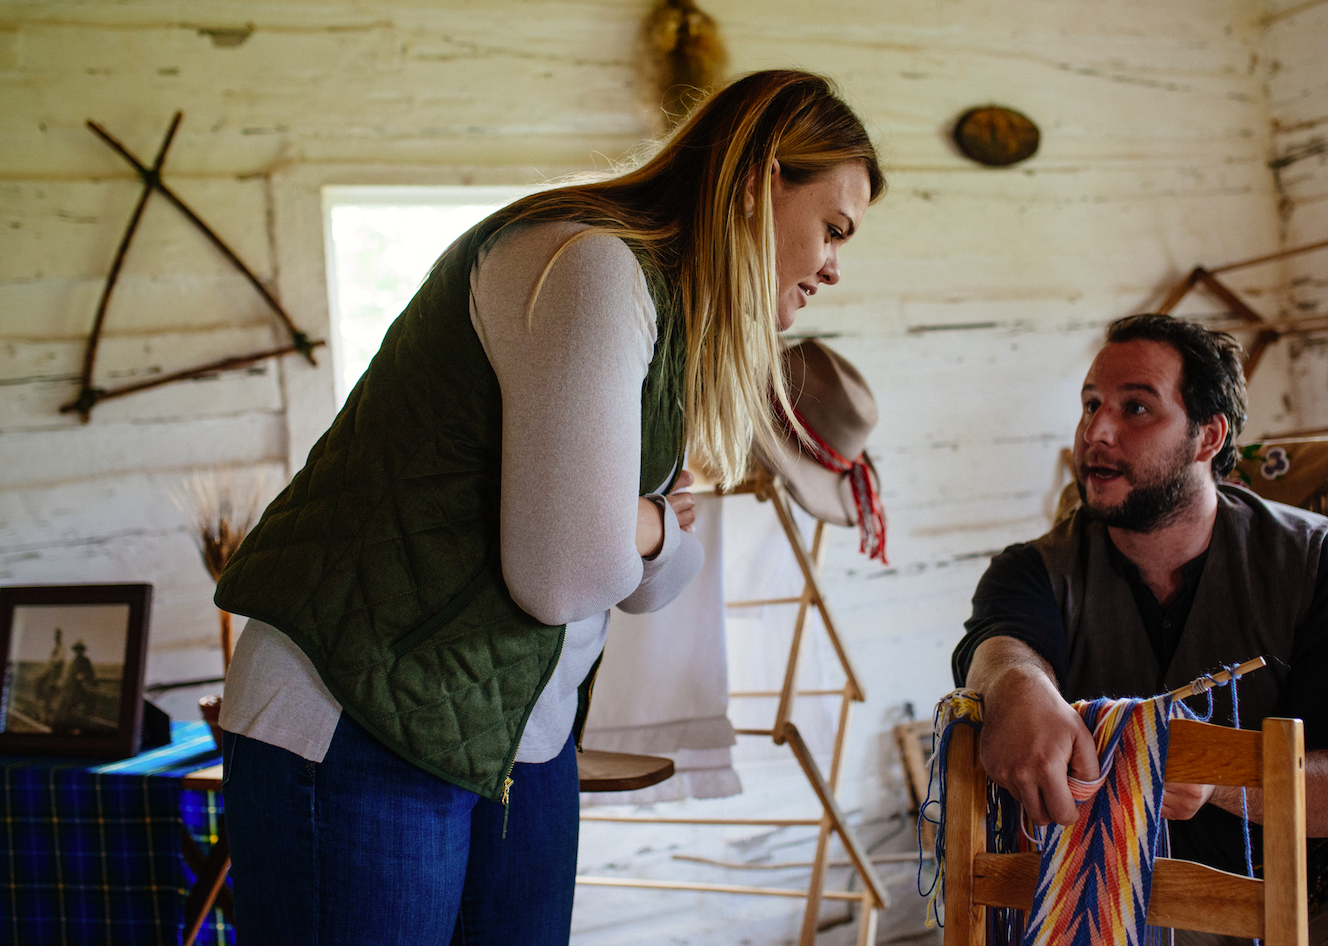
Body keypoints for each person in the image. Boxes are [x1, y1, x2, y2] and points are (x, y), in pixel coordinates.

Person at [212, 69, 883, 945]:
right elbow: (564, 575)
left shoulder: (674, 317)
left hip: (516, 734)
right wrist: (648, 521)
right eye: (833, 228)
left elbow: (652, 580)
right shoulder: (590, 267)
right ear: (758, 181)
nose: (834, 266)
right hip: (357, 710)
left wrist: (632, 526)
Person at [952, 314, 1328, 945]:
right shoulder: (1033, 571)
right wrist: (1017, 685)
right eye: (1091, 405)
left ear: (1208, 435)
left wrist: (1219, 774)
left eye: (1135, 407)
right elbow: (1000, 647)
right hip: (1130, 877)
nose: (1096, 432)